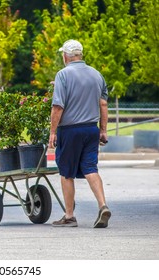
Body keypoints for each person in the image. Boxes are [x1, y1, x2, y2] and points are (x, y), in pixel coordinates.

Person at [48, 39, 111, 228]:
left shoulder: (63, 75)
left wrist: (52, 132)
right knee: (91, 168)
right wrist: (103, 130)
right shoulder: (96, 75)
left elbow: (58, 107)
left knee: (66, 172)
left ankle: (69, 216)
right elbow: (103, 104)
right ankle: (103, 205)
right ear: (80, 55)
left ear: (65, 56)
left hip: (70, 130)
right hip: (91, 128)